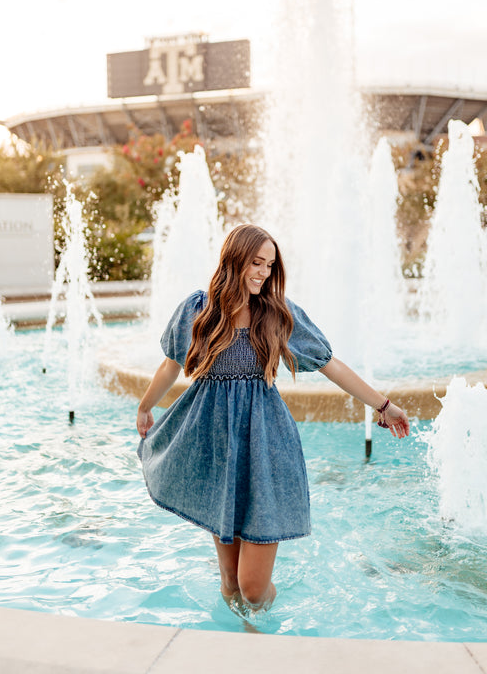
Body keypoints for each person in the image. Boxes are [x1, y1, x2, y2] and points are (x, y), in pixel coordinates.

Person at [136, 224, 410, 612]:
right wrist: (145, 406)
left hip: (266, 448)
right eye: (256, 262)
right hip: (219, 449)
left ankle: (263, 631)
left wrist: (383, 406)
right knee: (230, 582)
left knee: (251, 587)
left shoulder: (277, 312)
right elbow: (170, 367)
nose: (263, 272)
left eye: (269, 264)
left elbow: (332, 366)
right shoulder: (198, 311)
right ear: (234, 260)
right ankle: (243, 646)